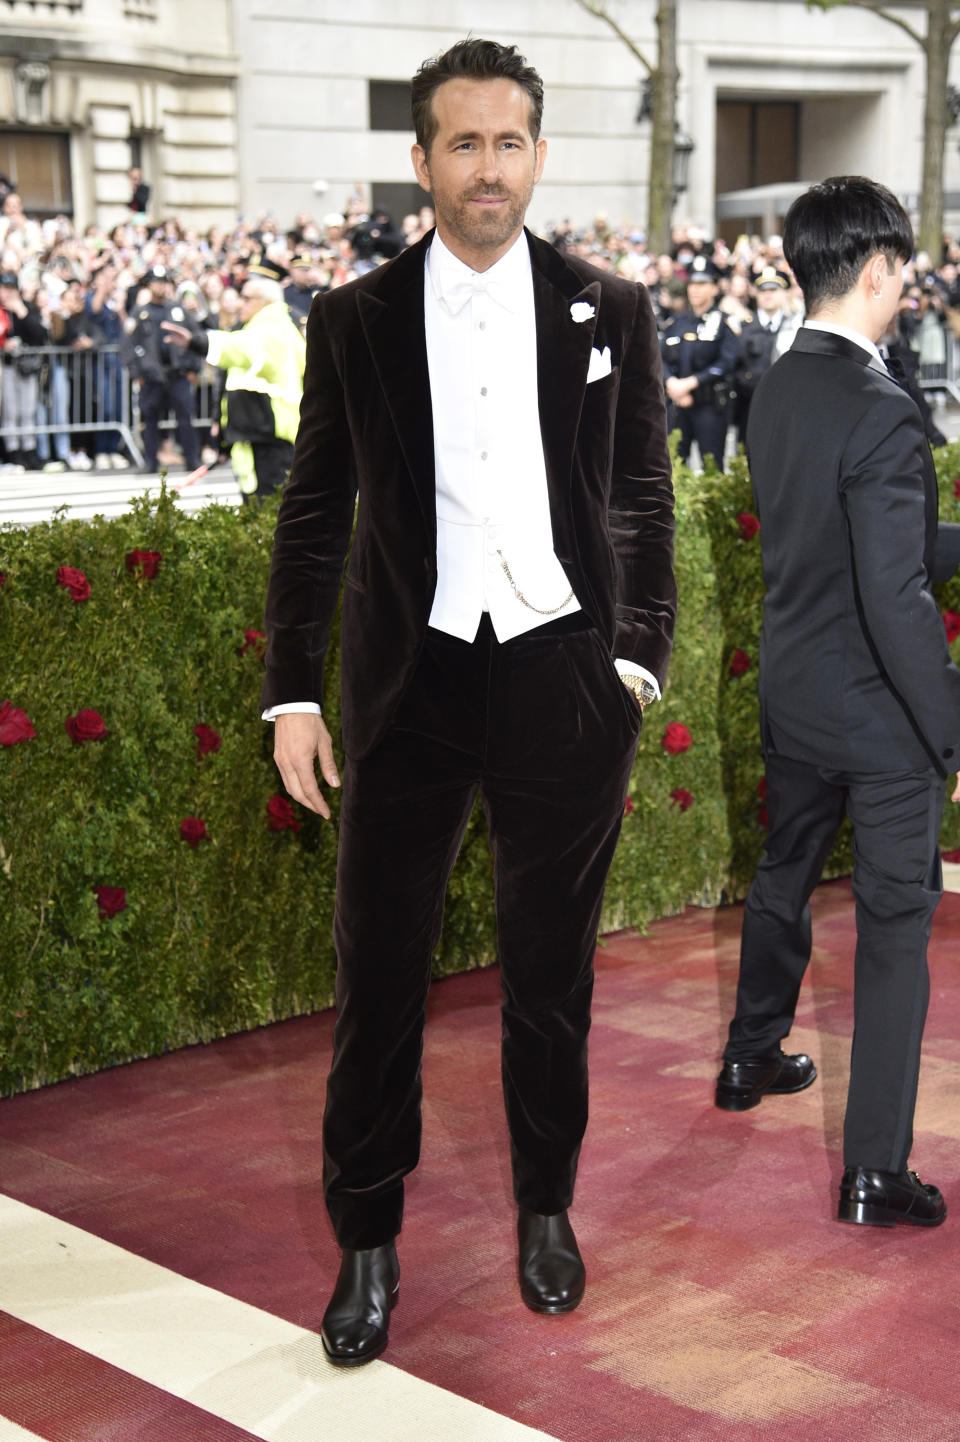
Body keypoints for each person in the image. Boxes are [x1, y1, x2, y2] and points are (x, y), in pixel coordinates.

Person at [260, 37, 676, 1366]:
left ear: (537, 156)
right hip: (411, 679)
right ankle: (366, 1237)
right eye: (462, 142)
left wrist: (630, 664)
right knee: (377, 970)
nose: (486, 167)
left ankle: (546, 1206)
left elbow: (642, 498)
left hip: (563, 671)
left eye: (508, 143)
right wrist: (293, 695)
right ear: (423, 158)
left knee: (551, 976)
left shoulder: (609, 308)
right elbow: (316, 512)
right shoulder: (356, 318)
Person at [715, 176, 960, 1231]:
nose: (908, 288)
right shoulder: (884, 410)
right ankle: (874, 1171)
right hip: (881, 715)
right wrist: (947, 732)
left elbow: (846, 545)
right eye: (903, 270)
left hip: (796, 690)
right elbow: (896, 591)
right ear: (877, 271)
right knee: (898, 928)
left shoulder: (780, 387)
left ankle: (749, 1053)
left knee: (784, 869)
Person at [162, 264, 306, 500]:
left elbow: (238, 349)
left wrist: (197, 342)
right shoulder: (268, 326)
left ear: (266, 301)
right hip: (260, 432)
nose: (240, 303)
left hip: (270, 436)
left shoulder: (272, 329)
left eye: (247, 298)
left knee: (268, 511)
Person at [660, 255, 739, 467]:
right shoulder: (677, 322)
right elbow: (660, 358)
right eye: (692, 283)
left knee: (712, 467)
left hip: (710, 406)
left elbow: (727, 362)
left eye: (702, 284)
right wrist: (672, 383)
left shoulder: (724, 322)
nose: (695, 289)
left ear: (714, 288)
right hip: (677, 404)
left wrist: (690, 383)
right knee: (673, 467)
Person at [123, 266, 202, 474]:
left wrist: (194, 367)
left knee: (185, 417)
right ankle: (151, 461)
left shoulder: (177, 310)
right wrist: (136, 373)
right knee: (150, 419)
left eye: (163, 281)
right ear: (149, 285)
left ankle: (191, 458)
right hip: (152, 375)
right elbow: (128, 344)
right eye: (156, 282)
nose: (160, 286)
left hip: (178, 373)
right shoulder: (140, 313)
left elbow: (195, 338)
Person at [730, 265, 791, 443]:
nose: (768, 295)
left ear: (784, 292)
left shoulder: (796, 326)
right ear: (755, 293)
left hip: (785, 407)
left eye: (774, 289)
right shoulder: (743, 327)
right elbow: (735, 367)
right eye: (763, 290)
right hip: (750, 405)